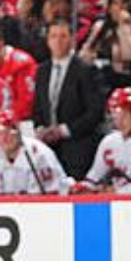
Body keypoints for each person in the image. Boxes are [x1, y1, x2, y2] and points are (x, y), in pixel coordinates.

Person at [33, 18, 104, 179]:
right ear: (48, 41)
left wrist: (64, 131)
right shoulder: (42, 71)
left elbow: (95, 111)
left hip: (78, 149)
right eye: (53, 36)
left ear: (72, 40)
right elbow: (38, 108)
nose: (58, 41)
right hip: (48, 150)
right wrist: (40, 128)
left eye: (63, 36)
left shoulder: (86, 70)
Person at [0, 110, 73, 194]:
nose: (5, 138)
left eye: (9, 131)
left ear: (19, 131)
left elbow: (52, 193)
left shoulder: (39, 153)